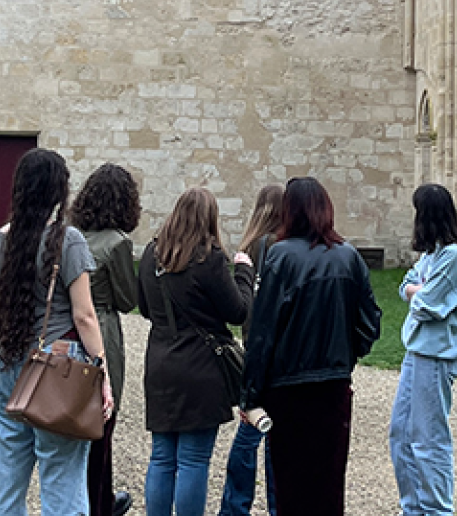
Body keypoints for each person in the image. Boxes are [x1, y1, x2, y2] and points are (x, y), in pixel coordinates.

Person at [0, 148, 114, 516]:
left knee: (8, 482)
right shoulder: (68, 242)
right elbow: (84, 316)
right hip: (59, 368)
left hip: (8, 363)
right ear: (58, 192)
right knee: (62, 480)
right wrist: (102, 371)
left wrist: (2, 357)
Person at [239, 176, 380, 516]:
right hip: (332, 387)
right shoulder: (348, 256)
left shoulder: (281, 257)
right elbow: (371, 321)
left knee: (292, 487)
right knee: (328, 485)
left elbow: (263, 331)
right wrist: (346, 353)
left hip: (288, 389)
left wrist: (251, 394)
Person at [138, 188, 256, 516]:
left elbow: (145, 308)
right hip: (200, 365)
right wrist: (245, 273)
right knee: (193, 458)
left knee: (161, 456)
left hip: (160, 360)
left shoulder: (151, 255)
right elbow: (237, 311)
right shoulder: (209, 258)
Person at [389, 183, 457, 516]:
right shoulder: (432, 253)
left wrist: (416, 290)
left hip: (436, 354)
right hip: (417, 350)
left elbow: (426, 303)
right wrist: (416, 289)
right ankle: (414, 508)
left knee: (428, 438)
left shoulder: (454, 255)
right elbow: (405, 285)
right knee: (400, 433)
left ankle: (437, 509)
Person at [75, 164, 142, 516]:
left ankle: (89, 500)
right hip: (102, 323)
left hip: (70, 325)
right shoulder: (117, 243)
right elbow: (126, 299)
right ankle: (98, 503)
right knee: (104, 417)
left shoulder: (72, 235)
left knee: (75, 421)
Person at [218, 185, 284, 516]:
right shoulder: (273, 247)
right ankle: (261, 505)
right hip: (269, 350)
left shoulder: (249, 248)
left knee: (253, 424)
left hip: (254, 345)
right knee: (260, 430)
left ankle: (235, 506)